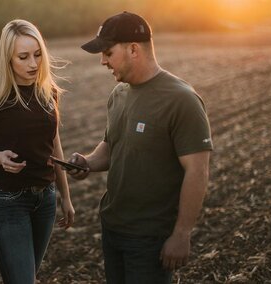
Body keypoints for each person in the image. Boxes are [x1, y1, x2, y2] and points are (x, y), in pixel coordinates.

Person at [67, 12, 213, 283]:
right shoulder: (119, 94)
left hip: (150, 238)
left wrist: (181, 234)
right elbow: (112, 146)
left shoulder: (182, 100)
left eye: (108, 53)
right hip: (113, 229)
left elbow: (197, 171)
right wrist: (86, 162)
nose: (103, 61)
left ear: (133, 49)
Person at [0, 19, 75, 284]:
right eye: (23, 57)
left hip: (44, 200)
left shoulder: (47, 92)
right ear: (7, 59)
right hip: (5, 202)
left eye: (38, 55)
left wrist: (65, 196)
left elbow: (54, 144)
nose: (33, 64)